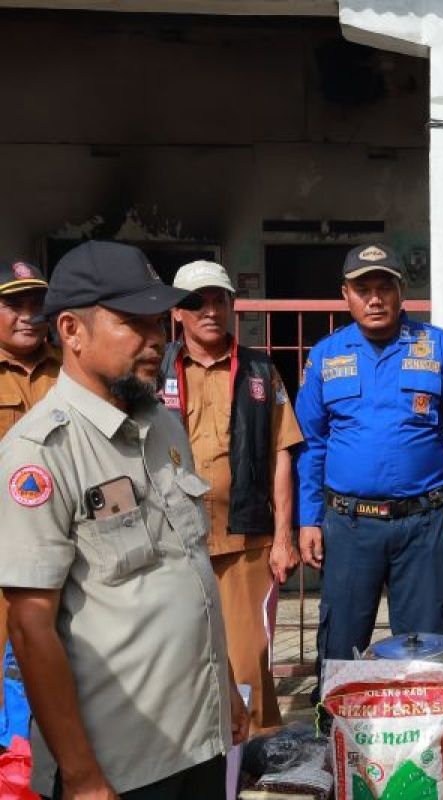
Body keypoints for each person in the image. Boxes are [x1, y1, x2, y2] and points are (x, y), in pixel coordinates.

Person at [0, 240, 247, 799]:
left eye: (159, 321)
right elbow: (30, 626)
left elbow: (190, 569)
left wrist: (225, 686)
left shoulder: (162, 426)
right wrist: (83, 776)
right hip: (122, 765)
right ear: (71, 330)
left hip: (199, 739)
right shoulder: (41, 453)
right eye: (134, 322)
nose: (157, 337)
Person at [295, 243, 443, 681]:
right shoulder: (325, 356)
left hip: (422, 523)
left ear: (402, 293)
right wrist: (307, 519)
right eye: (363, 289)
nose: (374, 299)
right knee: (341, 643)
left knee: (425, 645)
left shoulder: (439, 349)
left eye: (384, 288)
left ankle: (428, 742)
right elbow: (311, 444)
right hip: (349, 526)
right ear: (346, 294)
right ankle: (334, 740)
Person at [160, 260, 304, 733]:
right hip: (171, 543)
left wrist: (284, 537)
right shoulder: (154, 369)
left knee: (247, 664)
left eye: (218, 300)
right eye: (196, 302)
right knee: (176, 661)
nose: (209, 311)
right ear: (176, 312)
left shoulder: (261, 370)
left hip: (245, 541)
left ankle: (256, 757)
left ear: (232, 306)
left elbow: (282, 453)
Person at [0, 258, 59, 722]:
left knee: (57, 668)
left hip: (59, 548)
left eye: (36, 304)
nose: (26, 315)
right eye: (12, 304)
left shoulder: (72, 372)